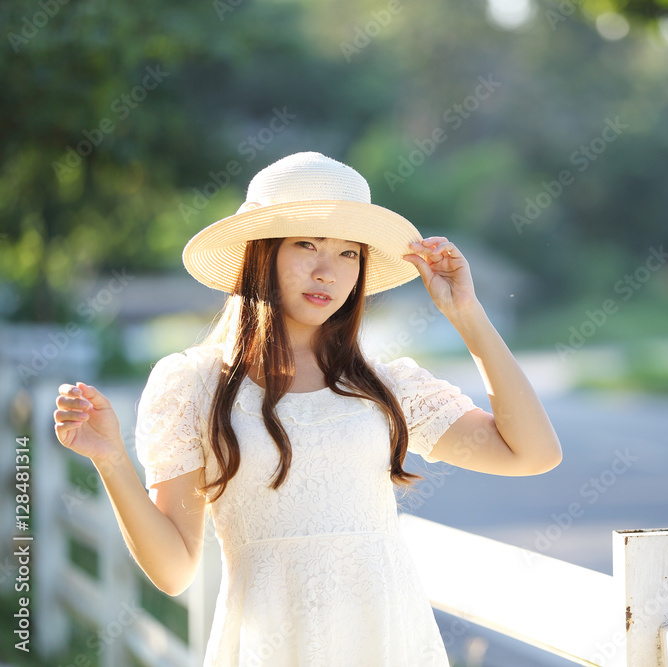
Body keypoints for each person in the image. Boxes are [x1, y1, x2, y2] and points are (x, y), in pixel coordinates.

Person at [52, 151, 563, 666]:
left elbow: (533, 454)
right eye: (306, 245)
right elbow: (174, 570)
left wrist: (465, 313)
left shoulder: (386, 387)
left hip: (387, 644)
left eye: (349, 254)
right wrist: (111, 459)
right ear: (262, 252)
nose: (328, 272)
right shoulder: (193, 384)